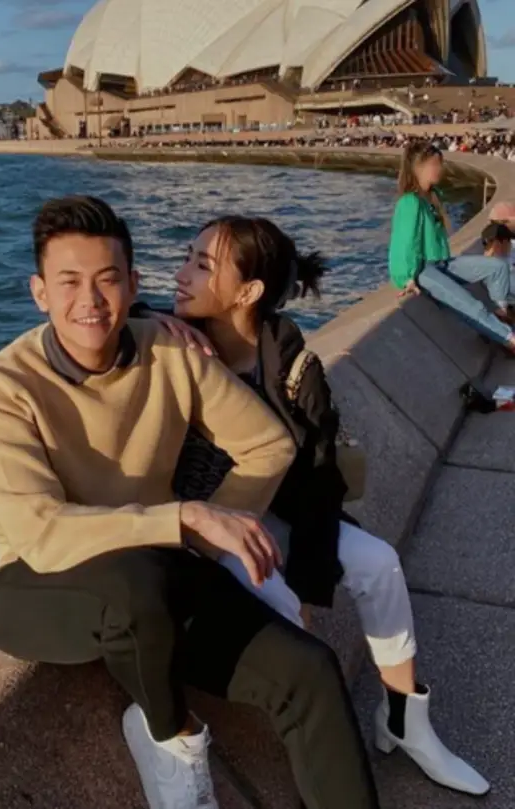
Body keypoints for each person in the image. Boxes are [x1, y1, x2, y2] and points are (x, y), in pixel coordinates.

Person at [0, 196, 379, 809]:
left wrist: (212, 531)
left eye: (109, 281)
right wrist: (183, 517)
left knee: (309, 673)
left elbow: (267, 444)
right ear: (39, 293)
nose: (91, 301)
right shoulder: (2, 386)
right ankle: (172, 736)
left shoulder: (170, 349)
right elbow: (42, 533)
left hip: (158, 567)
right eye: (69, 282)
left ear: (134, 284)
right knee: (138, 575)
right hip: (41, 580)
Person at [135, 215, 488, 796]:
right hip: (204, 526)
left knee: (379, 564)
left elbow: (321, 479)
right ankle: (314, 763)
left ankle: (404, 722)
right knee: (283, 615)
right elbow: (106, 319)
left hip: (284, 510)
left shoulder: (294, 364)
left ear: (247, 292)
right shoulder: (169, 335)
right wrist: (149, 317)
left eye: (202, 265)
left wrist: (307, 578)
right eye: (187, 258)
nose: (181, 275)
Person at [388, 140, 515, 351]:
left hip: (442, 263)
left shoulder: (431, 197)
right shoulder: (409, 202)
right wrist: (406, 277)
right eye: (435, 165)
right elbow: (403, 243)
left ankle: (501, 314)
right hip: (423, 269)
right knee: (469, 304)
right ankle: (509, 339)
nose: (440, 169)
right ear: (419, 168)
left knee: (497, 267)